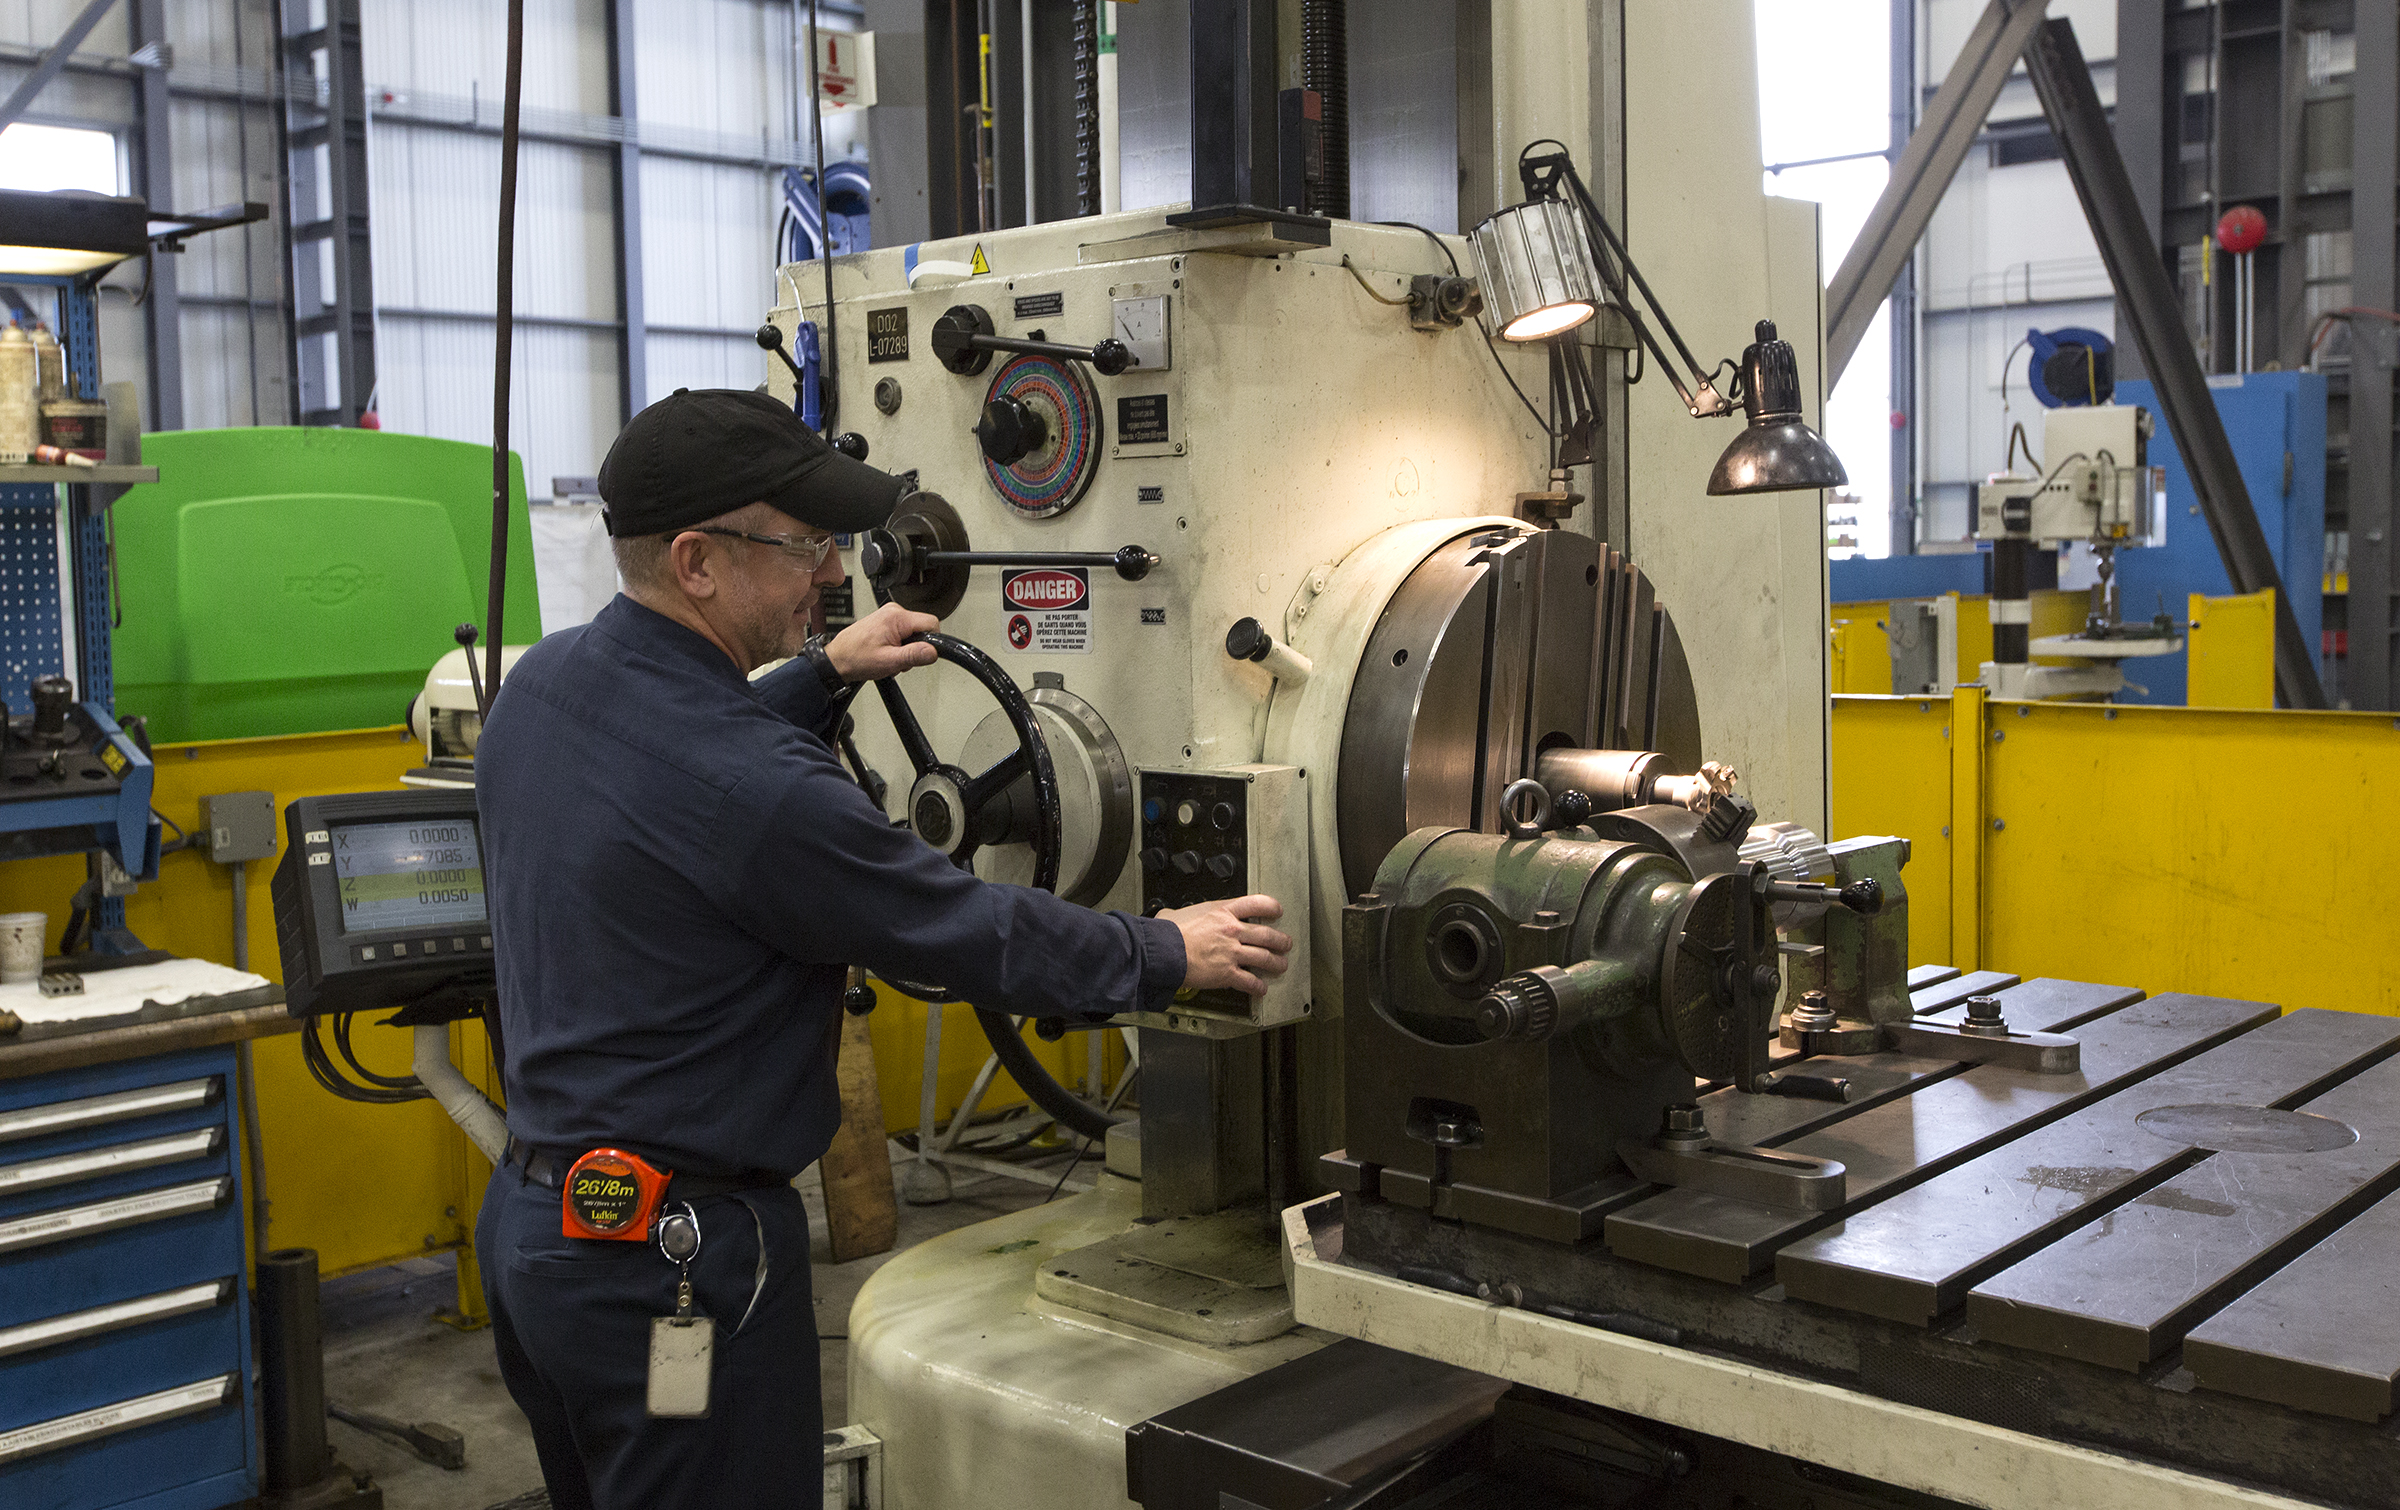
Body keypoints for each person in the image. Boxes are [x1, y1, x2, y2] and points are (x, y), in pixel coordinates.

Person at [472, 388, 1292, 1509]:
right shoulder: (761, 794)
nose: (830, 573)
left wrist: (822, 674)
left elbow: (678, 770)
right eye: (803, 545)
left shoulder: (541, 688)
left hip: (540, 1242)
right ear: (698, 562)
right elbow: (960, 924)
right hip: (680, 1261)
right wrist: (1160, 948)